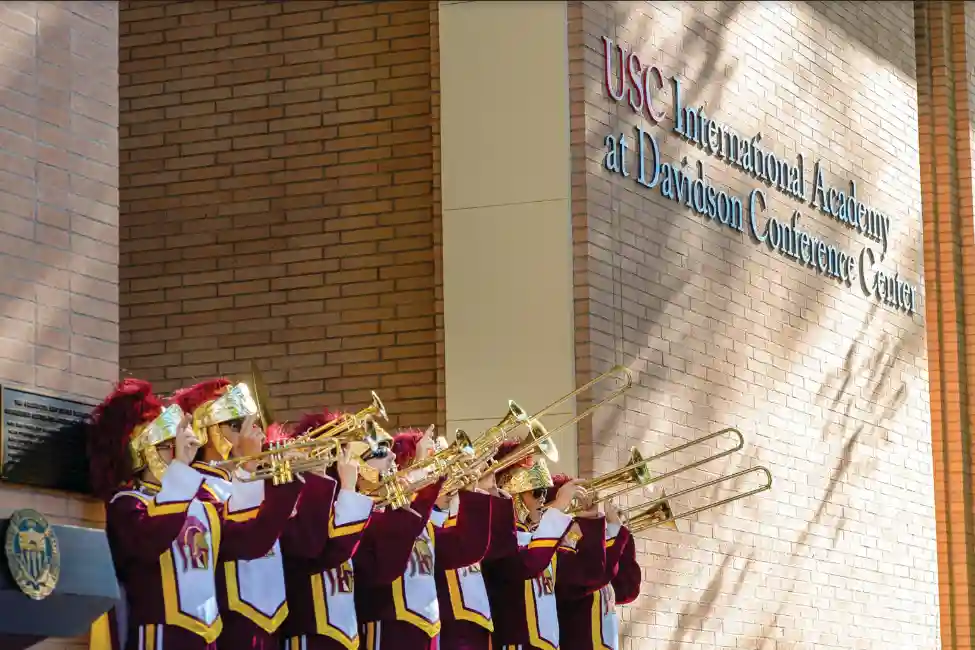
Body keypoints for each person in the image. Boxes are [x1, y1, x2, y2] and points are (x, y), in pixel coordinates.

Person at [87, 378, 299, 650]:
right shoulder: (128, 503)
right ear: (142, 452)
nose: (179, 452)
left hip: (206, 637)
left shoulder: (198, 502)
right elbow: (151, 539)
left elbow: (251, 540)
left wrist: (286, 482)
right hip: (161, 635)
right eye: (167, 446)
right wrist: (182, 470)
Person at [163, 378, 306, 649]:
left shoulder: (245, 477)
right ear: (206, 431)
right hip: (231, 619)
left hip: (271, 618)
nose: (251, 434)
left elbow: (303, 544)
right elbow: (248, 539)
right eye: (236, 425)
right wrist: (248, 467)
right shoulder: (195, 486)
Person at [354, 425, 493, 650]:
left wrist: (470, 491)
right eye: (381, 452)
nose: (391, 458)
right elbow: (392, 540)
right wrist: (422, 475)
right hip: (390, 628)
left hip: (428, 630)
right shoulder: (366, 514)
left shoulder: (419, 522)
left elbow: (466, 548)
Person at [279, 409, 377, 650]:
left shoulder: (332, 498)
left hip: (345, 630)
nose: (351, 461)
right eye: (343, 451)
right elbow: (328, 552)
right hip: (310, 631)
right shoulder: (300, 498)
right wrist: (347, 488)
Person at [481, 441, 586, 650]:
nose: (543, 499)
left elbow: (583, 578)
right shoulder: (497, 536)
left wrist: (595, 526)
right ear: (513, 493)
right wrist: (558, 508)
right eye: (536, 491)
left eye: (545, 492)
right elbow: (526, 564)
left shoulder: (538, 536)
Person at [547, 473, 638, 650]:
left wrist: (622, 535)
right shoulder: (558, 549)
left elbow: (627, 590)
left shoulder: (592, 548)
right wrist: (612, 532)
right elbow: (591, 576)